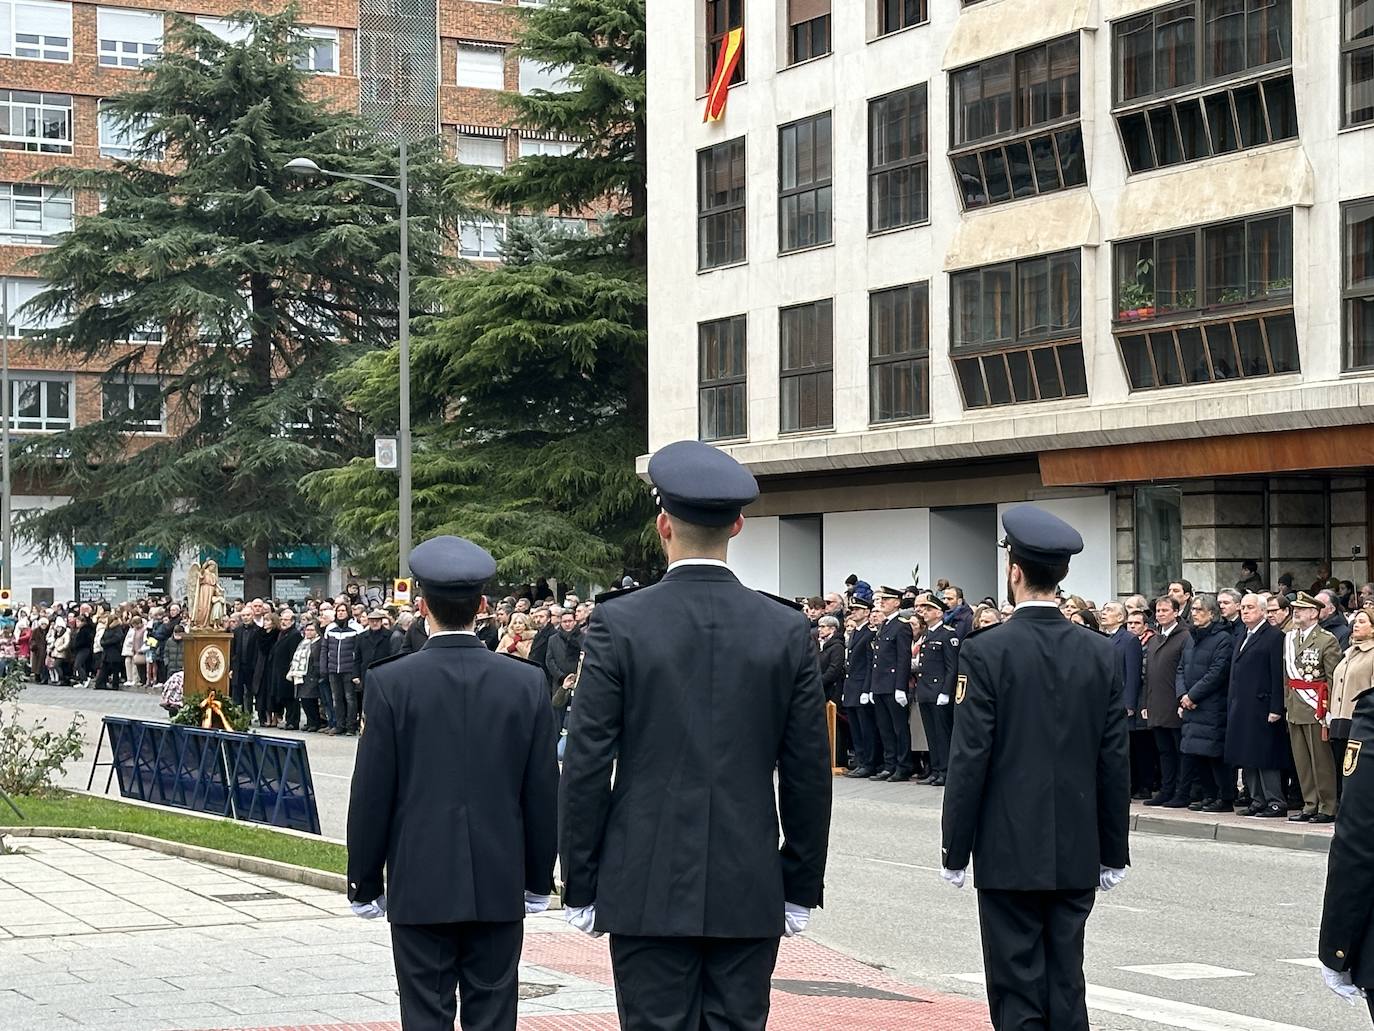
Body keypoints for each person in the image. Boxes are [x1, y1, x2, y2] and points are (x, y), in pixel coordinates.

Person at [559, 440, 831, 1031]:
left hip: (644, 881)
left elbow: (585, 762)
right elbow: (809, 769)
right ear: (738, 524)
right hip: (749, 878)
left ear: (663, 525)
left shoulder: (619, 622)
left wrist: (581, 880)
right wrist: (800, 884)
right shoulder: (785, 629)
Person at [347, 535, 558, 1031]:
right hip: (499, 879)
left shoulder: (391, 682)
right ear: (483, 608)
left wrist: (364, 880)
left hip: (420, 880)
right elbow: (543, 791)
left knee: (424, 1013)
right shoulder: (525, 682)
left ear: (423, 608)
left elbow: (372, 792)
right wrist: (537, 877)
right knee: (493, 1013)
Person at [940, 505, 1130, 1031]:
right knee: (1066, 982)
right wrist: (1113, 849)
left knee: (1016, 988)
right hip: (1077, 846)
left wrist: (955, 848)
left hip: (1007, 848)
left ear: (1014, 572)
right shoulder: (1099, 652)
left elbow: (969, 758)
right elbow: (1113, 758)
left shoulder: (985, 651)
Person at [1225, 594, 1290, 818]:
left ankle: (1275, 800)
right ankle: (1256, 799)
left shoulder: (1273, 636)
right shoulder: (1243, 634)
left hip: (1262, 705)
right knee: (1247, 754)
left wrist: (1276, 707)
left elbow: (1277, 674)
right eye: (1242, 607)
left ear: (1263, 611)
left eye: (1250, 607)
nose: (1245, 611)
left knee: (1265, 755)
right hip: (1242, 705)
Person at [1169, 594, 1235, 812]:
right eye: (1194, 609)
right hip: (1191, 705)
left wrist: (1192, 696)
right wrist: (1182, 695)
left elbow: (1216, 673)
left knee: (1214, 753)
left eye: (1199, 610)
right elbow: (1181, 668)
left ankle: (1224, 797)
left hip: (1211, 705)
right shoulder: (1191, 637)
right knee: (1196, 753)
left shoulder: (1223, 639)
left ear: (1212, 614)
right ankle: (1209, 794)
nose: (1194, 613)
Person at [1285, 592, 1341, 824]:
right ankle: (1310, 803)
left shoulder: (1326, 640)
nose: (1296, 612)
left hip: (1316, 707)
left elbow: (1332, 678)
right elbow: (1286, 677)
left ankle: (1327, 806)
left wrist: (1328, 711)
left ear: (1314, 613)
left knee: (1321, 761)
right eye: (1295, 608)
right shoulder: (1289, 638)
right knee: (1302, 760)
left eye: (1301, 608)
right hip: (1296, 705)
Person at [1141, 596, 1192, 807]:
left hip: (1174, 702)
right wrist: (1145, 703)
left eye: (1165, 610)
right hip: (1156, 703)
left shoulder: (1185, 637)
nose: (1160, 614)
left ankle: (1182, 792)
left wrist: (1182, 699)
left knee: (1180, 751)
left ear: (1176, 612)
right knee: (1164, 752)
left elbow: (1186, 670)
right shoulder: (1155, 639)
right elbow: (1148, 674)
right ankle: (1166, 789)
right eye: (1158, 611)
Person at [912, 592, 957, 787]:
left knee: (942, 734)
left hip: (939, 691)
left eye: (929, 609)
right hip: (925, 691)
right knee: (931, 733)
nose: (925, 612)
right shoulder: (927, 634)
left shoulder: (948, 634)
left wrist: (946, 691)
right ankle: (936, 769)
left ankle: (946, 771)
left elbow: (952, 667)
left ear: (939, 613)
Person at [870, 585, 914, 782]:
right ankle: (890, 764)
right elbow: (878, 659)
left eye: (886, 600)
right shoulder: (885, 625)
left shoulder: (901, 625)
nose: (882, 603)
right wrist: (873, 686)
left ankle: (903, 766)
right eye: (881, 600)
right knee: (885, 727)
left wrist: (900, 687)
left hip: (893, 684)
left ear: (897, 602)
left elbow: (903, 658)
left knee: (898, 727)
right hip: (880, 684)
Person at [1330, 609, 1374, 807]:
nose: (1356, 625)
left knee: (1356, 768)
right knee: (1340, 766)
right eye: (1355, 622)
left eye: (1362, 622)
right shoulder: (1348, 652)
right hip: (1340, 718)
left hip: (1360, 720)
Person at [842, 597, 880, 779]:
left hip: (861, 685)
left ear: (867, 612)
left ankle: (869, 762)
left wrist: (866, 690)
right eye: (853, 609)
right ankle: (861, 760)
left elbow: (868, 664)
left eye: (858, 609)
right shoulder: (855, 633)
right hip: (851, 686)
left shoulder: (869, 634)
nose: (854, 612)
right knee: (855, 728)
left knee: (866, 728)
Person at [815, 615, 845, 706]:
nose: (819, 629)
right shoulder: (820, 645)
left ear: (832, 629)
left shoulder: (837, 646)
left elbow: (834, 669)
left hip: (832, 691)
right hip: (821, 689)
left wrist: (819, 682)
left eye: (823, 626)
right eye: (819, 626)